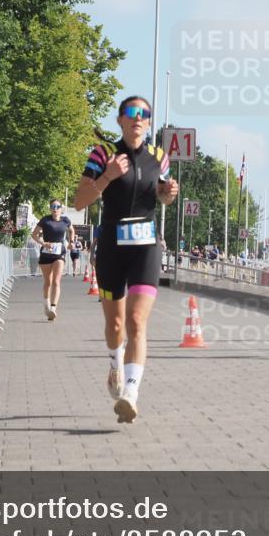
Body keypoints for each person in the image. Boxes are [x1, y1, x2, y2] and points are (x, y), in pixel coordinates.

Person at [73, 95, 178, 423]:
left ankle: (131, 393)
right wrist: (106, 177)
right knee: (115, 324)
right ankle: (114, 365)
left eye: (144, 114)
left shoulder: (159, 157)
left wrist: (168, 194)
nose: (138, 118)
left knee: (136, 321)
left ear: (149, 123)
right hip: (111, 247)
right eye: (131, 113)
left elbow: (159, 193)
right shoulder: (102, 154)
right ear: (119, 120)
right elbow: (79, 201)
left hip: (146, 245)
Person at [31, 199, 74, 321]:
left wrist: (71, 242)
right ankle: (46, 305)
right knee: (48, 282)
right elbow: (34, 235)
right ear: (50, 208)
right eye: (52, 206)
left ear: (61, 208)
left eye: (57, 206)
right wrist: (43, 243)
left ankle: (53, 308)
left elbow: (71, 230)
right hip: (46, 254)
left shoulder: (65, 220)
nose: (55, 208)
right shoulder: (45, 220)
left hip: (59, 254)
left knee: (56, 281)